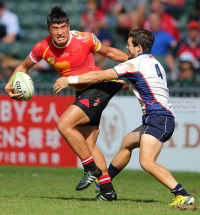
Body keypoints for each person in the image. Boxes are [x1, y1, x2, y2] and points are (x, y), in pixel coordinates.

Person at [53, 29, 195, 205]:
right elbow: (150, 86)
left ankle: (182, 195)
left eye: (129, 45)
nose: (126, 48)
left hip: (159, 118)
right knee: (127, 143)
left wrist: (70, 80)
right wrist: (127, 87)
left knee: (147, 162)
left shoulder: (134, 64)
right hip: (159, 118)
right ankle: (105, 182)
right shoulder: (154, 62)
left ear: (139, 47)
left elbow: (99, 76)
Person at [5, 6, 128, 201]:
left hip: (99, 86)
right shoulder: (42, 47)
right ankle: (107, 192)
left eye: (63, 26)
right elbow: (23, 67)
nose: (60, 31)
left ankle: (91, 169)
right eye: (55, 28)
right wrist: (9, 84)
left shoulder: (85, 38)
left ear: (68, 26)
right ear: (49, 30)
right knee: (89, 144)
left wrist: (137, 60)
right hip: (82, 92)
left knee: (63, 124)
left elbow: (111, 53)